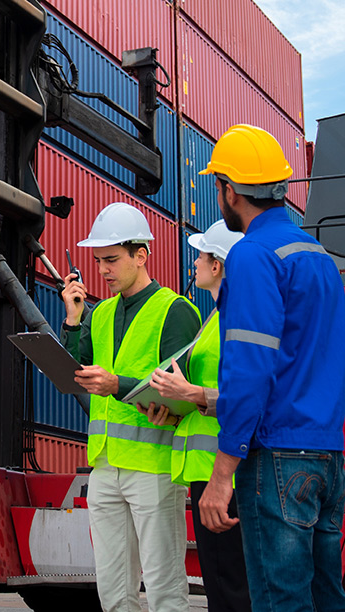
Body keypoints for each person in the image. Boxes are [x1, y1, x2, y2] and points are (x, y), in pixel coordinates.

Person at [196, 124, 345, 612]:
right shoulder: (319, 257)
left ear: (230, 190)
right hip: (328, 456)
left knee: (281, 603)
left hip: (277, 456)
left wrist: (222, 473)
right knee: (325, 600)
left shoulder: (253, 255)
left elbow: (250, 369)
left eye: (218, 185)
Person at [61, 202, 201, 612]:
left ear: (141, 255)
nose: (102, 270)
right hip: (105, 466)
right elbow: (75, 371)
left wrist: (115, 384)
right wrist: (73, 320)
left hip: (153, 467)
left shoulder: (175, 311)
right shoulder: (99, 313)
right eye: (98, 261)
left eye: (111, 260)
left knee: (163, 585)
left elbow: (183, 390)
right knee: (113, 588)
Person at [148, 220, 251, 612]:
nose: (194, 263)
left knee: (232, 588)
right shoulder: (216, 317)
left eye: (201, 255)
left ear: (218, 265)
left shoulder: (237, 318)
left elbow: (252, 395)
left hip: (228, 472)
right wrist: (174, 409)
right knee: (223, 586)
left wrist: (190, 393)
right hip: (207, 469)